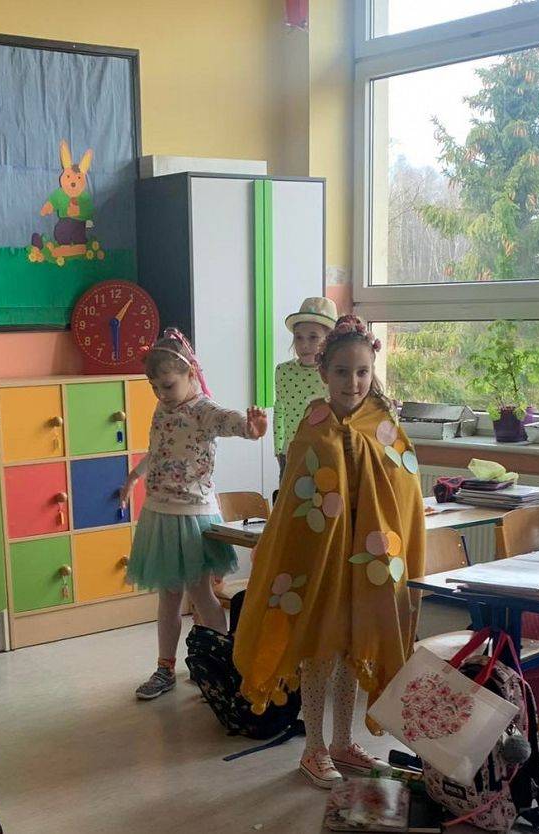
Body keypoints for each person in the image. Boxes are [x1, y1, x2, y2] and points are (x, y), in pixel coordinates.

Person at [233, 315, 425, 788]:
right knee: (319, 652)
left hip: (368, 564)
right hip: (321, 563)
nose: (352, 382)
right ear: (323, 372)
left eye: (362, 372)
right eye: (341, 372)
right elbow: (298, 499)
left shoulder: (383, 425)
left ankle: (343, 742)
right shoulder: (314, 425)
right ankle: (313, 747)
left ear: (373, 371)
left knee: (353, 650)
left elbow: (404, 490)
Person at [120, 328, 267, 700]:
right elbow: (159, 449)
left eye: (167, 385)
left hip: (193, 515)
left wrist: (251, 429)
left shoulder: (203, 409)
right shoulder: (163, 408)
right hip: (160, 512)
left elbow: (231, 422)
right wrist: (134, 476)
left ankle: (219, 667)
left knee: (201, 594)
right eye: (154, 387)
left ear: (190, 374)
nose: (161, 394)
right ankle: (165, 668)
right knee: (168, 596)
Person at [274, 297, 337, 476]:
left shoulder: (333, 373)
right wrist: (279, 449)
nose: (304, 345)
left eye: (313, 337)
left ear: (328, 340)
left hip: (325, 453)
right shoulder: (283, 371)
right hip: (291, 453)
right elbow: (279, 408)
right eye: (298, 337)